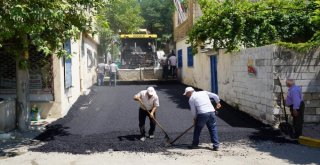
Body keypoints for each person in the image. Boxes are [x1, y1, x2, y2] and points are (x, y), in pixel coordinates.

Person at [183, 87, 221, 151]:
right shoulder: (203, 92)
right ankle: (216, 145)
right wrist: (218, 102)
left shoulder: (191, 99)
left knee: (197, 129)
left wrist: (195, 119)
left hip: (203, 114)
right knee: (213, 128)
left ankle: (195, 144)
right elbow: (215, 95)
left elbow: (193, 111)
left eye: (186, 94)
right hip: (212, 112)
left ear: (189, 92)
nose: (186, 96)